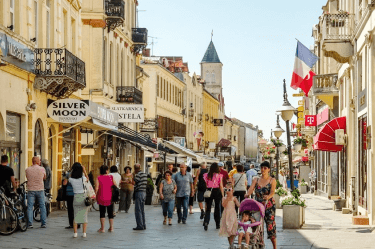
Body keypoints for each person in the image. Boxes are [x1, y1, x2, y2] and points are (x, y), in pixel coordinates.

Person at [245, 161, 277, 249]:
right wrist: (247, 194)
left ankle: (275, 246)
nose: (263, 170)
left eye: (265, 168)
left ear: (269, 169)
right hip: (258, 206)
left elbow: (272, 191)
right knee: (255, 224)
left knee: (270, 226)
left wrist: (268, 196)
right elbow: (251, 189)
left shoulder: (272, 180)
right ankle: (257, 242)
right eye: (262, 168)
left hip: (268, 206)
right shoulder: (256, 179)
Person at [69, 163, 89, 238]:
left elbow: (69, 177)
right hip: (83, 197)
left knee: (76, 215)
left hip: (76, 197)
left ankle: (75, 233)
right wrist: (84, 170)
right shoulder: (83, 178)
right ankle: (84, 233)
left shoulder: (71, 179)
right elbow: (88, 179)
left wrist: (72, 170)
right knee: (84, 215)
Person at [26, 156, 47, 228]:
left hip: (31, 190)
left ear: (32, 161)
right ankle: (43, 223)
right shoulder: (42, 169)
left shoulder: (27, 169)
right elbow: (44, 177)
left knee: (30, 206)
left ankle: (30, 224)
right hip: (40, 189)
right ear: (38, 162)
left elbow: (27, 177)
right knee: (42, 206)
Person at [203, 163, 224, 231]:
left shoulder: (207, 175)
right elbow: (221, 186)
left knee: (208, 208)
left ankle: (206, 222)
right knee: (217, 208)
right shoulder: (219, 176)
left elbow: (206, 185)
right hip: (217, 191)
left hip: (209, 191)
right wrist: (223, 195)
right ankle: (217, 224)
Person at [95, 165, 116, 233]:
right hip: (110, 197)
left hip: (101, 197)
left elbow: (96, 188)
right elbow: (115, 185)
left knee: (102, 212)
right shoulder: (111, 177)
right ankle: (111, 227)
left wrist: (95, 195)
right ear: (107, 170)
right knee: (110, 213)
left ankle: (102, 228)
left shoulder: (98, 177)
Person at [133, 164, 148, 230]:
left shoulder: (138, 175)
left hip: (139, 192)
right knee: (142, 210)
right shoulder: (144, 174)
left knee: (138, 209)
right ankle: (143, 224)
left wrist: (133, 177)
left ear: (136, 169)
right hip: (144, 192)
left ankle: (139, 225)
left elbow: (134, 182)